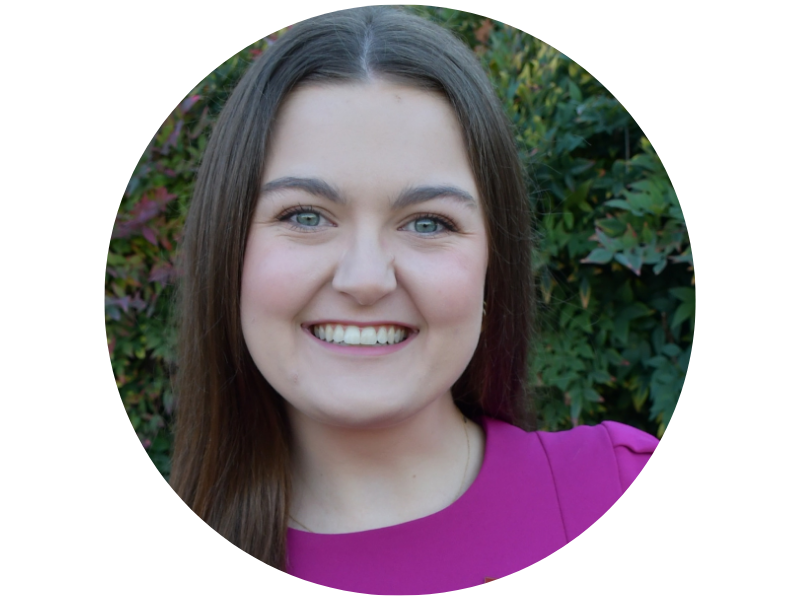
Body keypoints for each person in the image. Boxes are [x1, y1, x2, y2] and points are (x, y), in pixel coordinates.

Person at [170, 6, 658, 594]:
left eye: (428, 223)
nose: (366, 278)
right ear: (228, 247)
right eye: (305, 216)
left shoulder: (621, 492)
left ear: (492, 263)